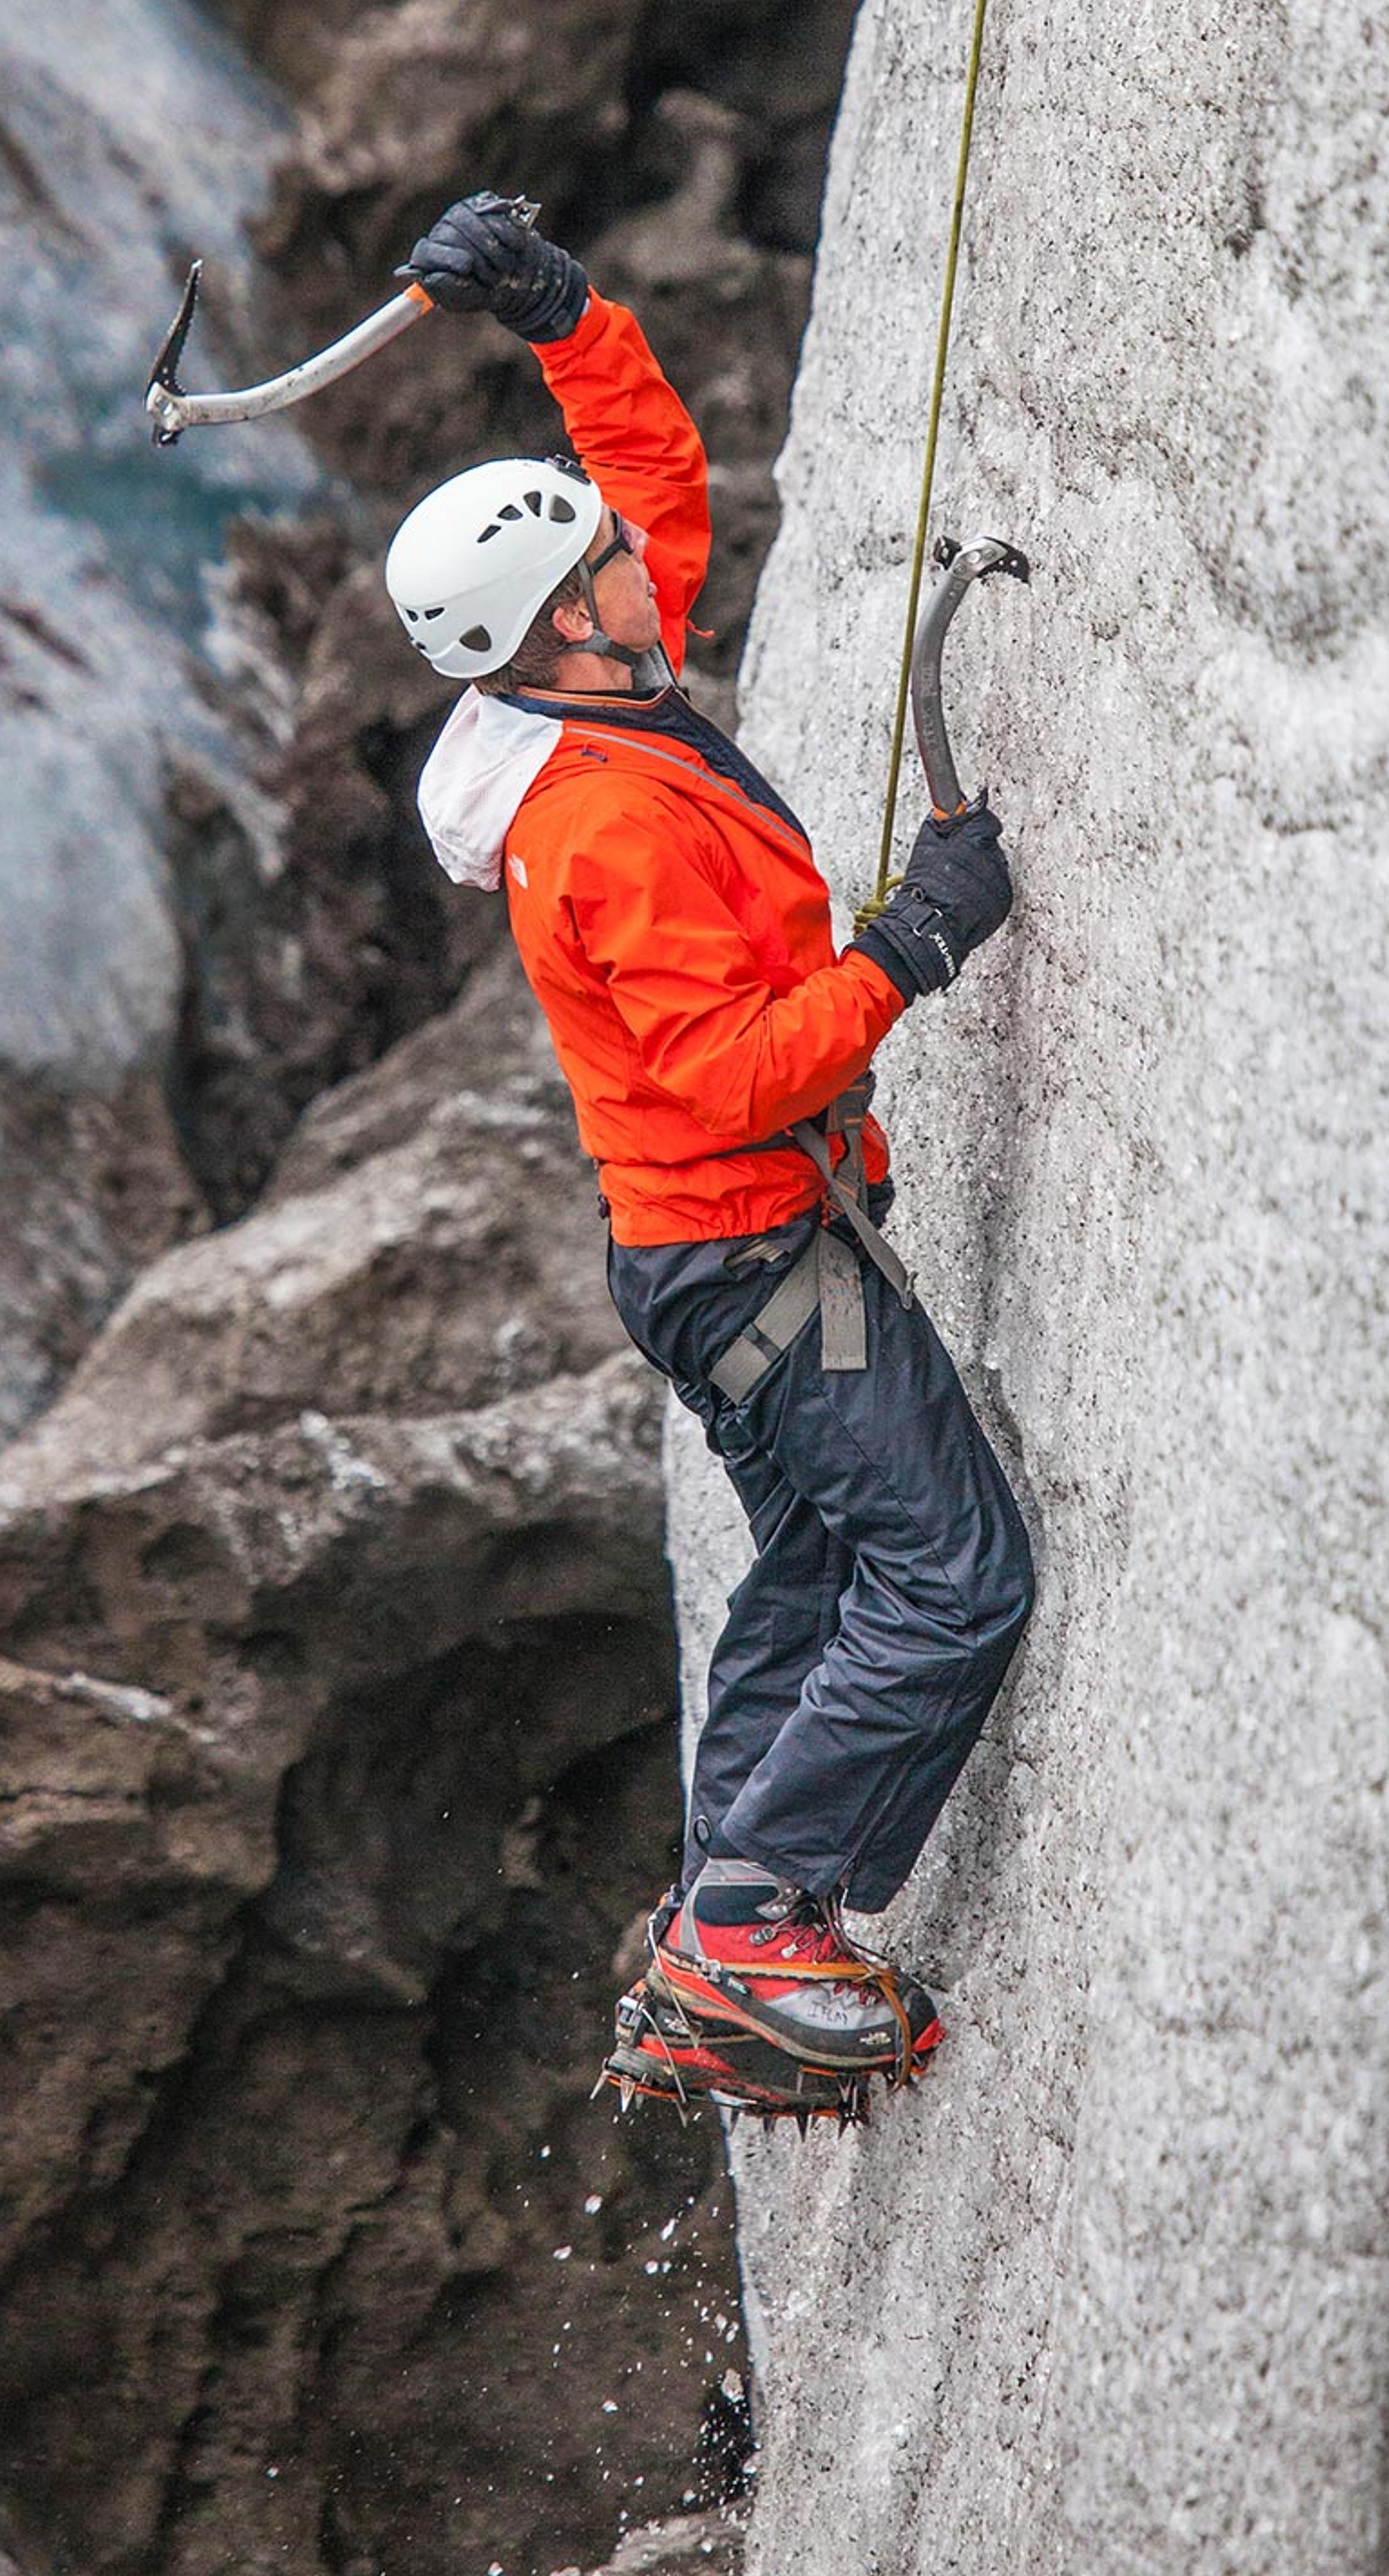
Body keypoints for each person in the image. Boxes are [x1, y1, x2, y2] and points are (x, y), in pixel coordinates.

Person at [383, 192, 1033, 2097]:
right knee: (954, 1572)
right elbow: (736, 1073)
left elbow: (647, 463)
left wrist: (555, 307)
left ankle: (705, 1935)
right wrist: (913, 941)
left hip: (710, 1261)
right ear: (545, 643)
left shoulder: (602, 661)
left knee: (826, 1570)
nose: (642, 573)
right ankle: (757, 1920)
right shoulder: (599, 829)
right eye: (602, 578)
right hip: (755, 1254)